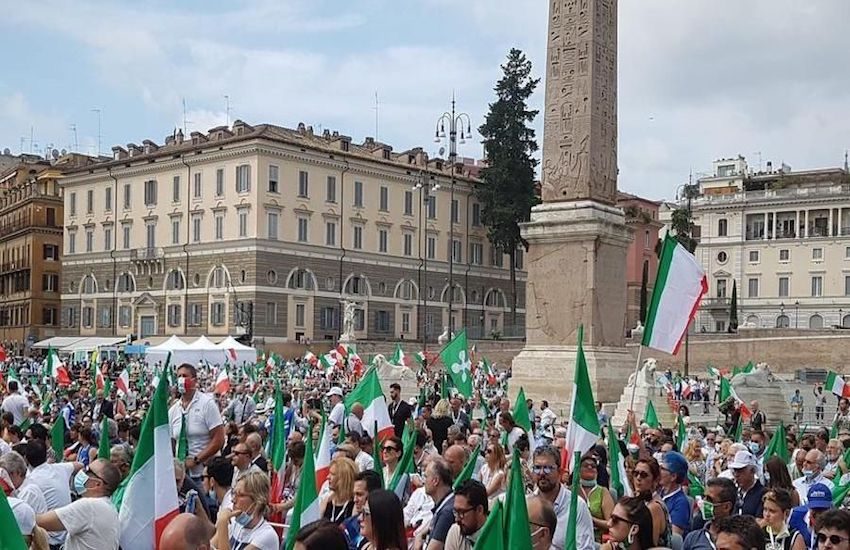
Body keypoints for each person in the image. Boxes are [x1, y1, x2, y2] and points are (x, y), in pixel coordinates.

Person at [35, 458, 121, 550]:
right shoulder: (109, 507)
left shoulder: (91, 506)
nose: (82, 472)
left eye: (87, 470)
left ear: (97, 484)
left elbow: (40, 522)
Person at [22, 439, 84, 548]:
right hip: (67, 536)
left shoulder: (29, 482)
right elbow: (80, 465)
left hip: (47, 541)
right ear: (46, 455)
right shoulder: (61, 468)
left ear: (26, 459)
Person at [168, 363, 225, 481]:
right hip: (181, 475)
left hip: (203, 474)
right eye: (178, 376)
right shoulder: (173, 410)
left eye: (184, 376)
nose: (181, 380)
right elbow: (172, 442)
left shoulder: (207, 404)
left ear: (194, 380)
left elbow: (219, 439)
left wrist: (196, 460)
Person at [532, 445, 595, 550]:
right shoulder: (527, 504)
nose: (542, 473)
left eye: (548, 468)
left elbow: (585, 547)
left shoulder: (577, 507)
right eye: (537, 468)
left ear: (559, 472)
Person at [210, 470, 279, 550]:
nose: (233, 500)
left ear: (258, 501)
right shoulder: (234, 524)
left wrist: (222, 523)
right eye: (234, 493)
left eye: (240, 495)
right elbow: (209, 547)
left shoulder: (267, 536)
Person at [683, 477, 737, 550]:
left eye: (709, 499)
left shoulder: (740, 538)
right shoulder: (693, 538)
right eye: (704, 497)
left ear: (726, 507)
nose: (704, 502)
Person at [416, 457, 455, 550]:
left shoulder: (446, 513)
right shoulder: (448, 502)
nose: (423, 481)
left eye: (426, 477)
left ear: (436, 481)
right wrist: (420, 534)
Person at [632, 457, 671, 547]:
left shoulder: (654, 507)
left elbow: (650, 545)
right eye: (636, 473)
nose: (638, 478)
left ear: (655, 480)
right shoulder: (636, 499)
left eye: (644, 475)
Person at [343, 469, 383, 550]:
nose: (355, 500)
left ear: (374, 494)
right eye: (354, 495)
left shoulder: (387, 529)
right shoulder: (348, 525)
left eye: (359, 494)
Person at [578, 453, 614, 542]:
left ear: (597, 472)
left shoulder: (603, 492)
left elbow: (611, 523)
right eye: (585, 466)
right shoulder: (571, 491)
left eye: (593, 466)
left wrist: (590, 519)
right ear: (578, 470)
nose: (590, 468)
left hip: (597, 541)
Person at [444, 479, 488, 550]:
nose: (457, 519)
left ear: (479, 510)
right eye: (455, 512)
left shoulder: (495, 537)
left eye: (461, 512)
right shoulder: (456, 531)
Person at [789, 484, 834, 550]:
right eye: (815, 509)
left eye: (823, 509)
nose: (819, 514)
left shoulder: (838, 523)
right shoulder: (794, 516)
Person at [658, 451, 692, 536]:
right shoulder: (659, 492)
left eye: (662, 469)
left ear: (673, 476)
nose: (658, 471)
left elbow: (674, 537)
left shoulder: (681, 503)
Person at [729, 450, 766, 518]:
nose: (737, 475)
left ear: (752, 471)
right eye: (735, 470)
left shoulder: (762, 493)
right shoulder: (734, 492)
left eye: (741, 470)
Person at [322, 457, 357, 525]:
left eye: (332, 474)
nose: (328, 477)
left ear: (343, 478)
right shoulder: (327, 501)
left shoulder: (355, 505)